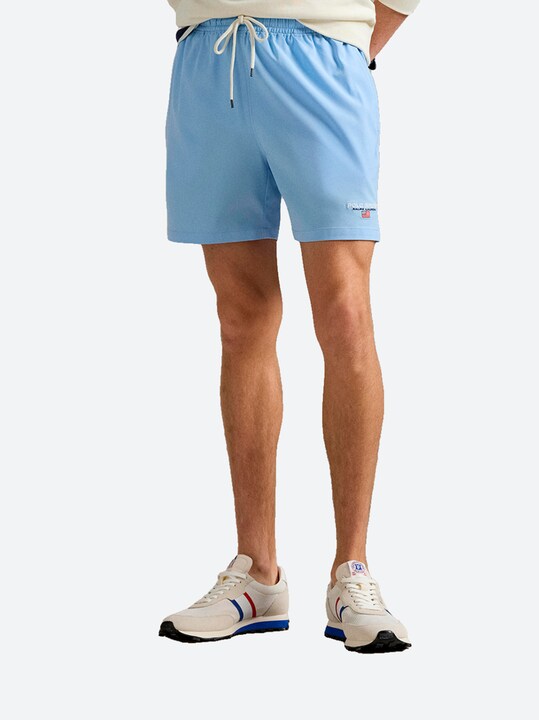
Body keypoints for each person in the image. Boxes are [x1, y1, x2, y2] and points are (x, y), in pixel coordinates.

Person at [159, 0, 420, 654]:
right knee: (240, 317)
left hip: (322, 56)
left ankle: (352, 571)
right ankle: (258, 574)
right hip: (209, 62)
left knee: (345, 313)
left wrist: (351, 35)